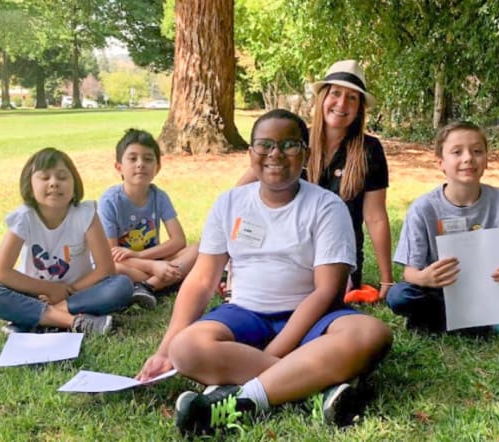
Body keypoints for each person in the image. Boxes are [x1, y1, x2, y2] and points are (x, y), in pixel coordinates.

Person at [136, 109, 392, 436]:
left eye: (288, 145)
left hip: (313, 318)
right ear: (250, 154)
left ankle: (245, 397)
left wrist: (274, 352)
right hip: (244, 313)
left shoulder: (328, 206)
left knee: (371, 334)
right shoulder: (229, 203)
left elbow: (327, 291)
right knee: (185, 349)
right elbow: (201, 281)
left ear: (306, 154)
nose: (275, 154)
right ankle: (313, 388)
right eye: (264, 145)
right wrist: (163, 350)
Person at [387, 121, 499, 336]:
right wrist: (425, 278)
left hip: (495, 292)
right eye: (456, 152)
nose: (468, 158)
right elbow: (410, 273)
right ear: (441, 162)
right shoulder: (423, 209)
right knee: (399, 295)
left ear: (486, 160)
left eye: (477, 151)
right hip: (445, 292)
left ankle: (438, 323)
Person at [237, 60, 393, 300]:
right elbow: (242, 190)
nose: (342, 104)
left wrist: (387, 280)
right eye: (336, 94)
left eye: (352, 98)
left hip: (336, 255)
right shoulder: (295, 138)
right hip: (288, 247)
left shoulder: (369, 149)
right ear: (322, 98)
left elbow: (376, 217)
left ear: (360, 107)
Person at [0, 148, 133, 335]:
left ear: (75, 184)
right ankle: (74, 321)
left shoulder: (86, 214)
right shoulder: (24, 217)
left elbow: (105, 268)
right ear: (30, 186)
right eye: (44, 177)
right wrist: (49, 289)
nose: (54, 183)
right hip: (34, 294)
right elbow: (0, 273)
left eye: (62, 177)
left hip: (78, 292)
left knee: (121, 285)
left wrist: (66, 291)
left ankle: (32, 320)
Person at [98, 129, 198, 309]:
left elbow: (178, 240)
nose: (140, 164)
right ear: (118, 167)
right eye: (132, 158)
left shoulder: (159, 196)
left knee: (199, 248)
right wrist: (152, 266)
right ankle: (167, 280)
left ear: (157, 168)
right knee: (113, 268)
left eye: (148, 159)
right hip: (126, 264)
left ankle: (148, 286)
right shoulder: (109, 201)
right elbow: (110, 254)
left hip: (149, 258)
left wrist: (142, 257)